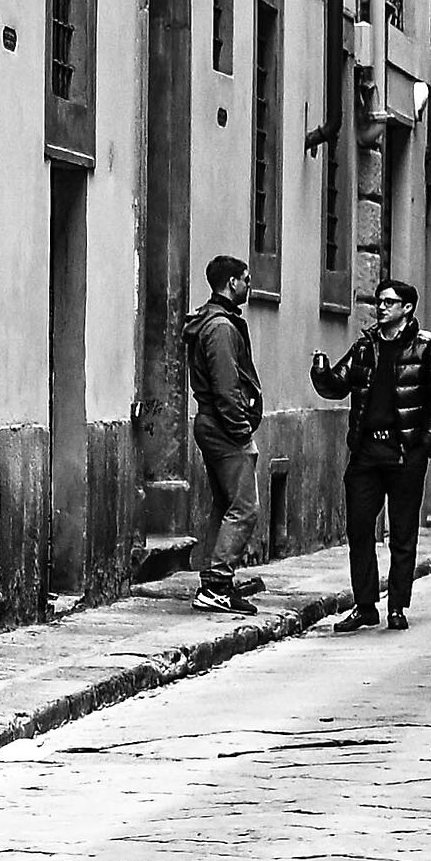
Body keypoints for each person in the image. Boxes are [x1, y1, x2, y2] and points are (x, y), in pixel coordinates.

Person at [310, 279, 431, 632]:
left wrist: (425, 447)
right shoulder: (366, 347)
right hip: (366, 453)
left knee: (402, 534)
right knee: (359, 529)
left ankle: (397, 607)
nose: (381, 307)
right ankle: (365, 606)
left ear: (407, 308)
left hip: (405, 454)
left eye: (389, 302)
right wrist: (321, 373)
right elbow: (337, 384)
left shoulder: (429, 348)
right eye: (379, 301)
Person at [185, 254, 265, 615]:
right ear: (232, 283)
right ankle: (217, 584)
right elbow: (225, 385)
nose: (249, 286)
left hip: (214, 422)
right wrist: (240, 430)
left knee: (226, 503)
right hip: (222, 425)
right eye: (246, 280)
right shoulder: (220, 327)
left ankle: (213, 580)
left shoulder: (216, 322)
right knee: (245, 507)